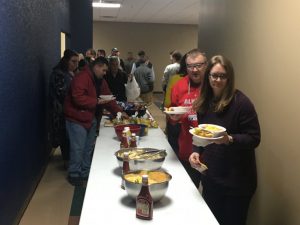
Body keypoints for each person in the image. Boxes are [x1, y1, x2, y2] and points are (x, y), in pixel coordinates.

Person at [189, 55, 261, 225]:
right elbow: (202, 135)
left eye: (222, 76)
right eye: (214, 75)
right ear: (208, 77)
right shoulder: (205, 102)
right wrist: (196, 151)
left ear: (229, 78)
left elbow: (254, 138)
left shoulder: (241, 103)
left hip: (237, 183)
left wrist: (229, 139)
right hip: (212, 177)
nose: (217, 80)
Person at [64, 57, 127, 186]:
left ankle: (85, 173)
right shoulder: (81, 77)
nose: (105, 73)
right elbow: (78, 98)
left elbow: (109, 98)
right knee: (78, 148)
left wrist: (119, 112)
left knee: (88, 148)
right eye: (103, 70)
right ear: (96, 66)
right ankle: (74, 174)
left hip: (90, 118)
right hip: (76, 119)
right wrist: (96, 102)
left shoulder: (100, 81)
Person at [167, 49, 207, 188]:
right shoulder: (179, 86)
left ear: (206, 65)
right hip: (188, 150)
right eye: (190, 66)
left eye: (198, 65)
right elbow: (173, 115)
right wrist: (173, 118)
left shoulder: (213, 85)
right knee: (190, 189)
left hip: (212, 153)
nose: (194, 70)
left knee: (209, 197)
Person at [49, 49, 79, 168]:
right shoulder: (58, 74)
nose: (75, 64)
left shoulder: (68, 72)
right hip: (60, 112)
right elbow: (63, 94)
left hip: (67, 110)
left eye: (77, 62)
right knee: (64, 137)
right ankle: (67, 162)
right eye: (73, 61)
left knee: (67, 136)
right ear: (66, 60)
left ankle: (68, 160)